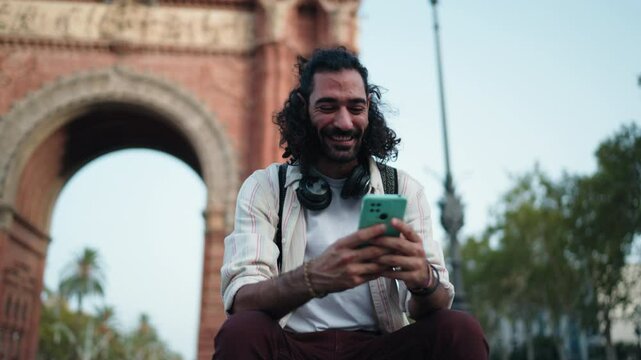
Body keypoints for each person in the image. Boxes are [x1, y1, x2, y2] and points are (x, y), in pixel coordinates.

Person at [214, 47, 488, 359]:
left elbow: (435, 305)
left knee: (459, 329)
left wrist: (424, 280)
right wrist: (313, 278)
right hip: (293, 348)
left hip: (379, 347)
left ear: (369, 109)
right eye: (328, 107)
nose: (344, 122)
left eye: (356, 108)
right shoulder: (265, 187)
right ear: (303, 109)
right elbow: (242, 301)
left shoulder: (403, 189)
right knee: (242, 331)